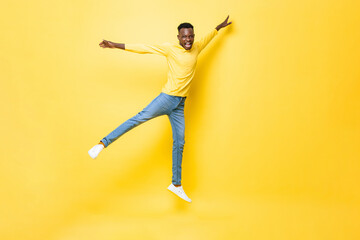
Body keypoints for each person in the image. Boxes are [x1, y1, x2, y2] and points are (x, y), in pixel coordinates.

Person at [88, 16, 232, 202]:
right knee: (137, 119)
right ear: (178, 37)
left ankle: (176, 184)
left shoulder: (197, 46)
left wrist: (218, 27)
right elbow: (144, 48)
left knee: (180, 143)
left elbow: (209, 37)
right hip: (166, 99)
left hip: (179, 105)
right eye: (184, 37)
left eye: (191, 37)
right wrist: (115, 45)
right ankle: (102, 144)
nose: (188, 40)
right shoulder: (170, 48)